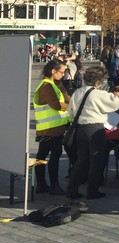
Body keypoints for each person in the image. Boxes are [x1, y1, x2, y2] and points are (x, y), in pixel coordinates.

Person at [67, 65, 119, 199]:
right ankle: (92, 190)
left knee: (81, 160)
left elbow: (70, 111)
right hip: (95, 129)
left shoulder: (78, 92)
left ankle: (72, 189)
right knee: (96, 160)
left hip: (80, 129)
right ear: (99, 81)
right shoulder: (99, 94)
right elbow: (115, 103)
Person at [32, 59, 71, 195]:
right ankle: (53, 185)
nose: (63, 74)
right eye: (61, 72)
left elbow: (65, 99)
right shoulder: (46, 86)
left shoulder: (53, 84)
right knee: (52, 157)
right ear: (53, 71)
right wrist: (73, 107)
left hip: (52, 128)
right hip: (50, 130)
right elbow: (56, 105)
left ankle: (42, 185)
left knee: (42, 156)